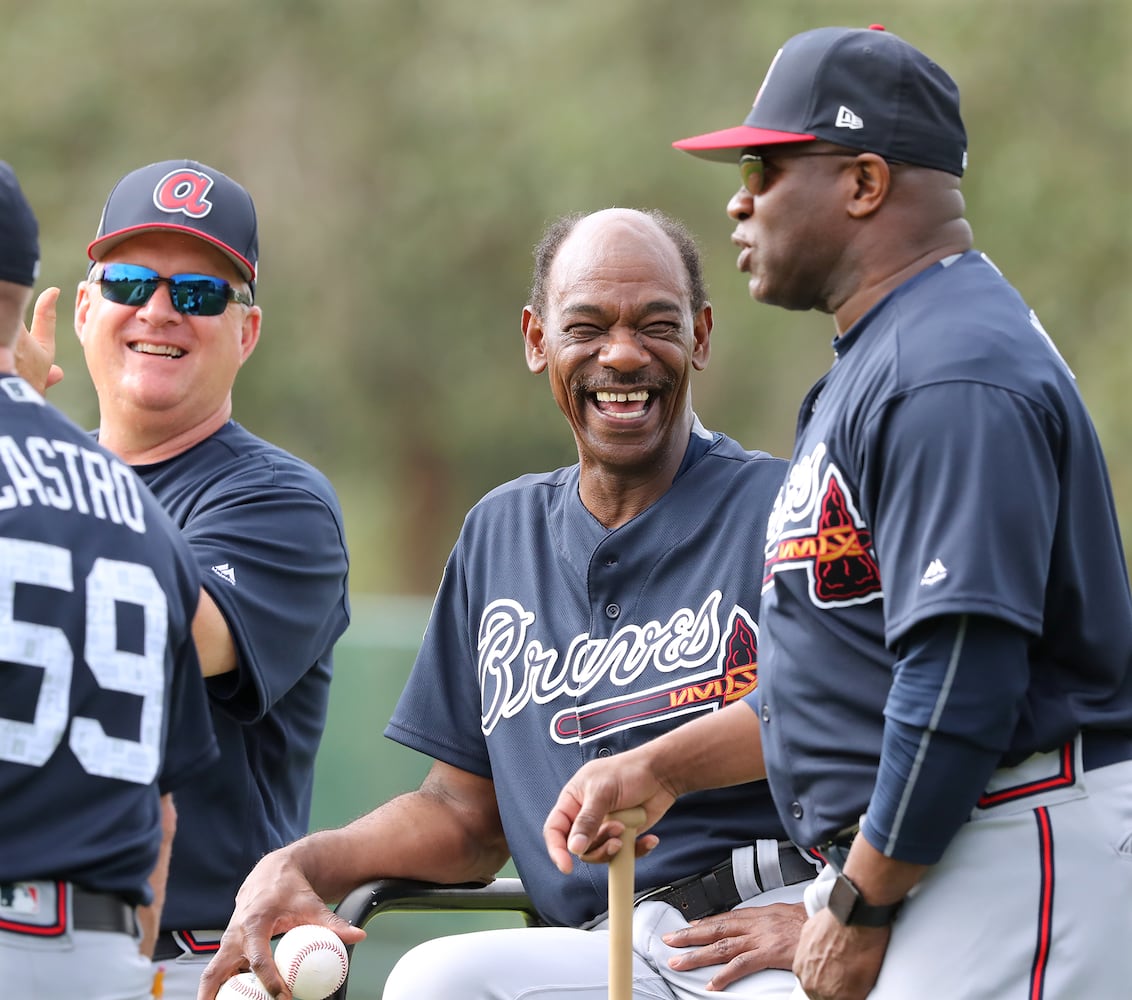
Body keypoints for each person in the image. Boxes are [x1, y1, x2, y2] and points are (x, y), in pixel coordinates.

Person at [544, 24, 1132, 1000]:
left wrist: (857, 901)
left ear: (863, 184)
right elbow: (848, 677)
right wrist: (668, 765)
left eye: (765, 168)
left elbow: (959, 677)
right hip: (951, 847)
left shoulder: (949, 370)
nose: (738, 200)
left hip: (1011, 839)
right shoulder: (897, 354)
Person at [198, 207, 821, 1000]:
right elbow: (464, 815)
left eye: (655, 325)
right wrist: (305, 860)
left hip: (761, 930)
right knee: (436, 980)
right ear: (537, 341)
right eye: (587, 325)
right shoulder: (501, 532)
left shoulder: (784, 508)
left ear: (700, 336)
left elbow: (867, 718)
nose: (622, 354)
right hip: (591, 951)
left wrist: (832, 911)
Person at [20, 159, 352, 999]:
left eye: (200, 295)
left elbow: (147, 630)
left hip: (204, 958)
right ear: (87, 307)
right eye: (131, 282)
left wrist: (19, 440)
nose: (159, 310)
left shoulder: (280, 500)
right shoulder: (28, 480)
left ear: (246, 332)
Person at [0, 161, 219, 1000]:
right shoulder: (136, 507)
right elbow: (158, 818)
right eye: (132, 283)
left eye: (195, 292)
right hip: (102, 961)